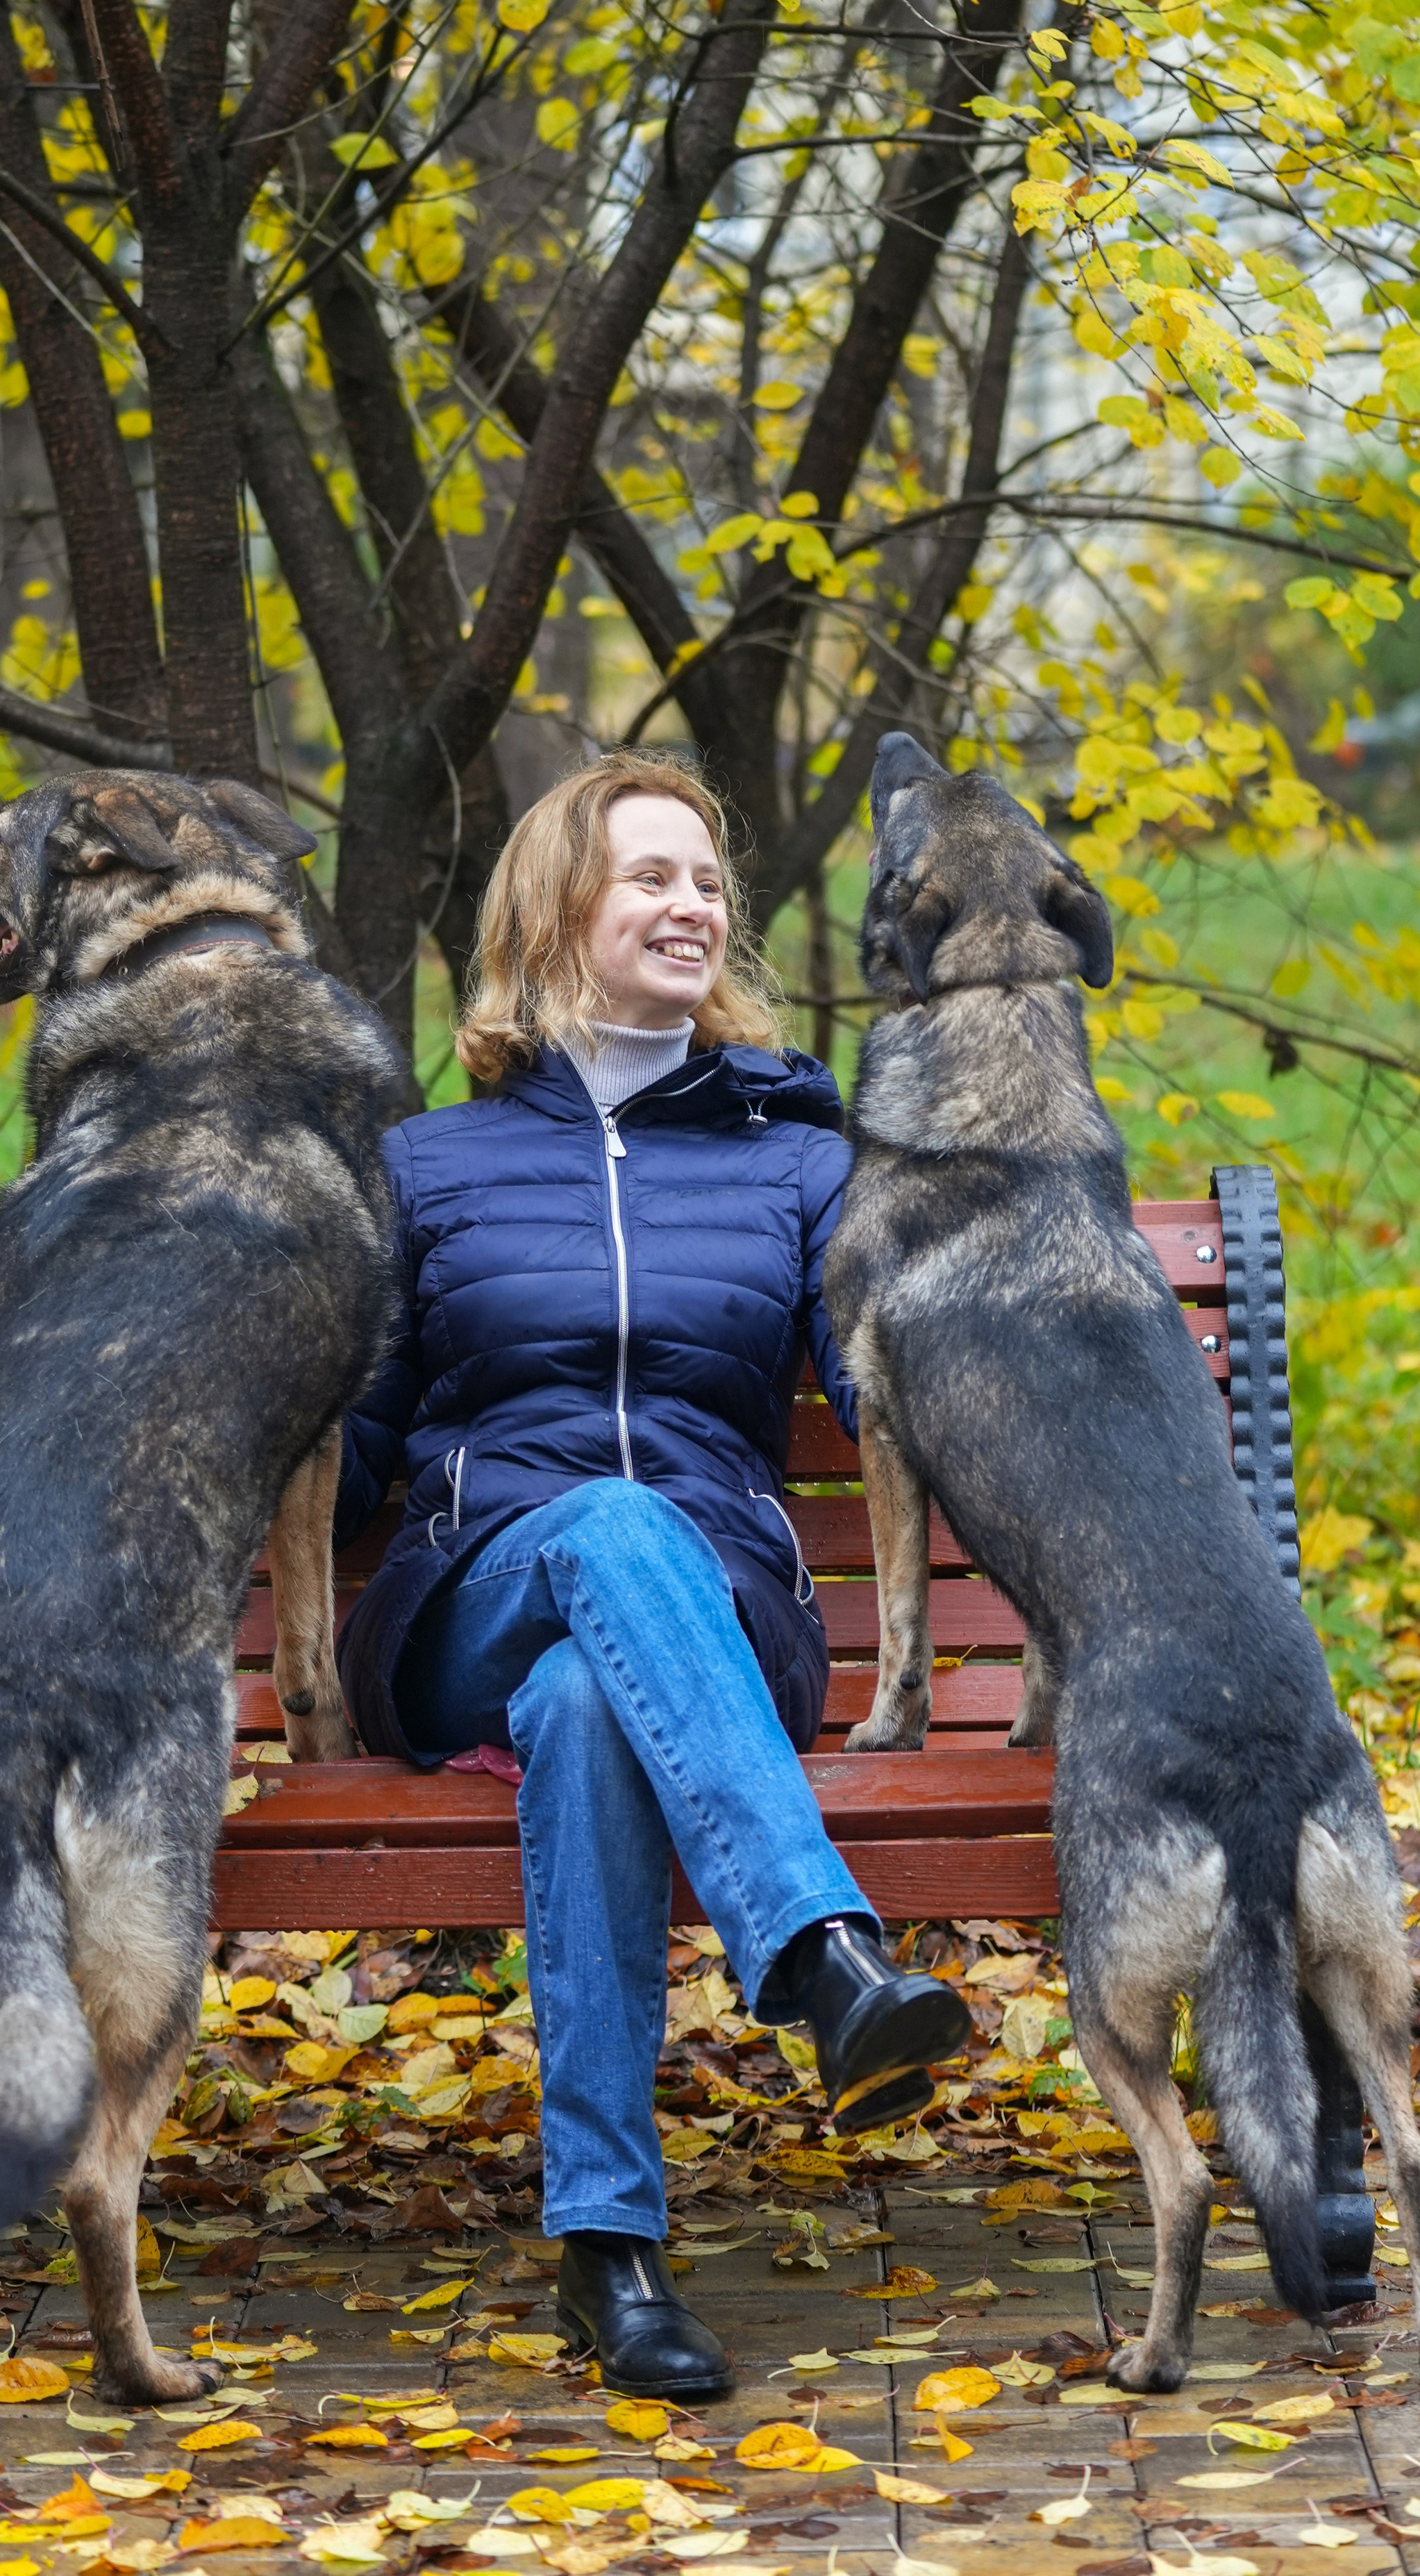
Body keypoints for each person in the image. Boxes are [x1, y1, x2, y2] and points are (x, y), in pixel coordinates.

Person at [334, 751, 969, 2397]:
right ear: (556, 914)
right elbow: (343, 1445)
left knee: (590, 1700)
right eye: (650, 879)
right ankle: (822, 1959)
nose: (691, 905)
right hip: (474, 1591)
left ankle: (608, 2248)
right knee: (601, 1540)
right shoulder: (430, 1166)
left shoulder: (797, 1159)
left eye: (706, 881)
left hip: (723, 1619)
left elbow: (895, 1392)